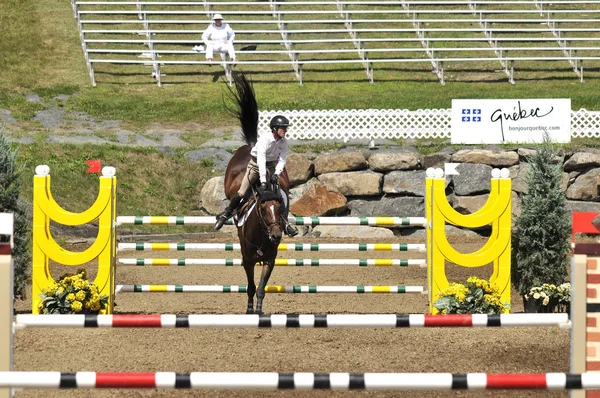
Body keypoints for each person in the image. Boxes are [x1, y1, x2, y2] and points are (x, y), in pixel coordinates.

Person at [214, 115, 299, 237]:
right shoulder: (265, 139)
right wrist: (264, 181)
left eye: (285, 128)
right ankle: (225, 214)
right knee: (242, 192)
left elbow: (282, 159)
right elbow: (261, 159)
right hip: (255, 165)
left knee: (279, 195)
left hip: (271, 166)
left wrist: (276, 173)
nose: (285, 130)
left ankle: (285, 224)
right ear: (274, 129)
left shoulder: (284, 142)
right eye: (282, 128)